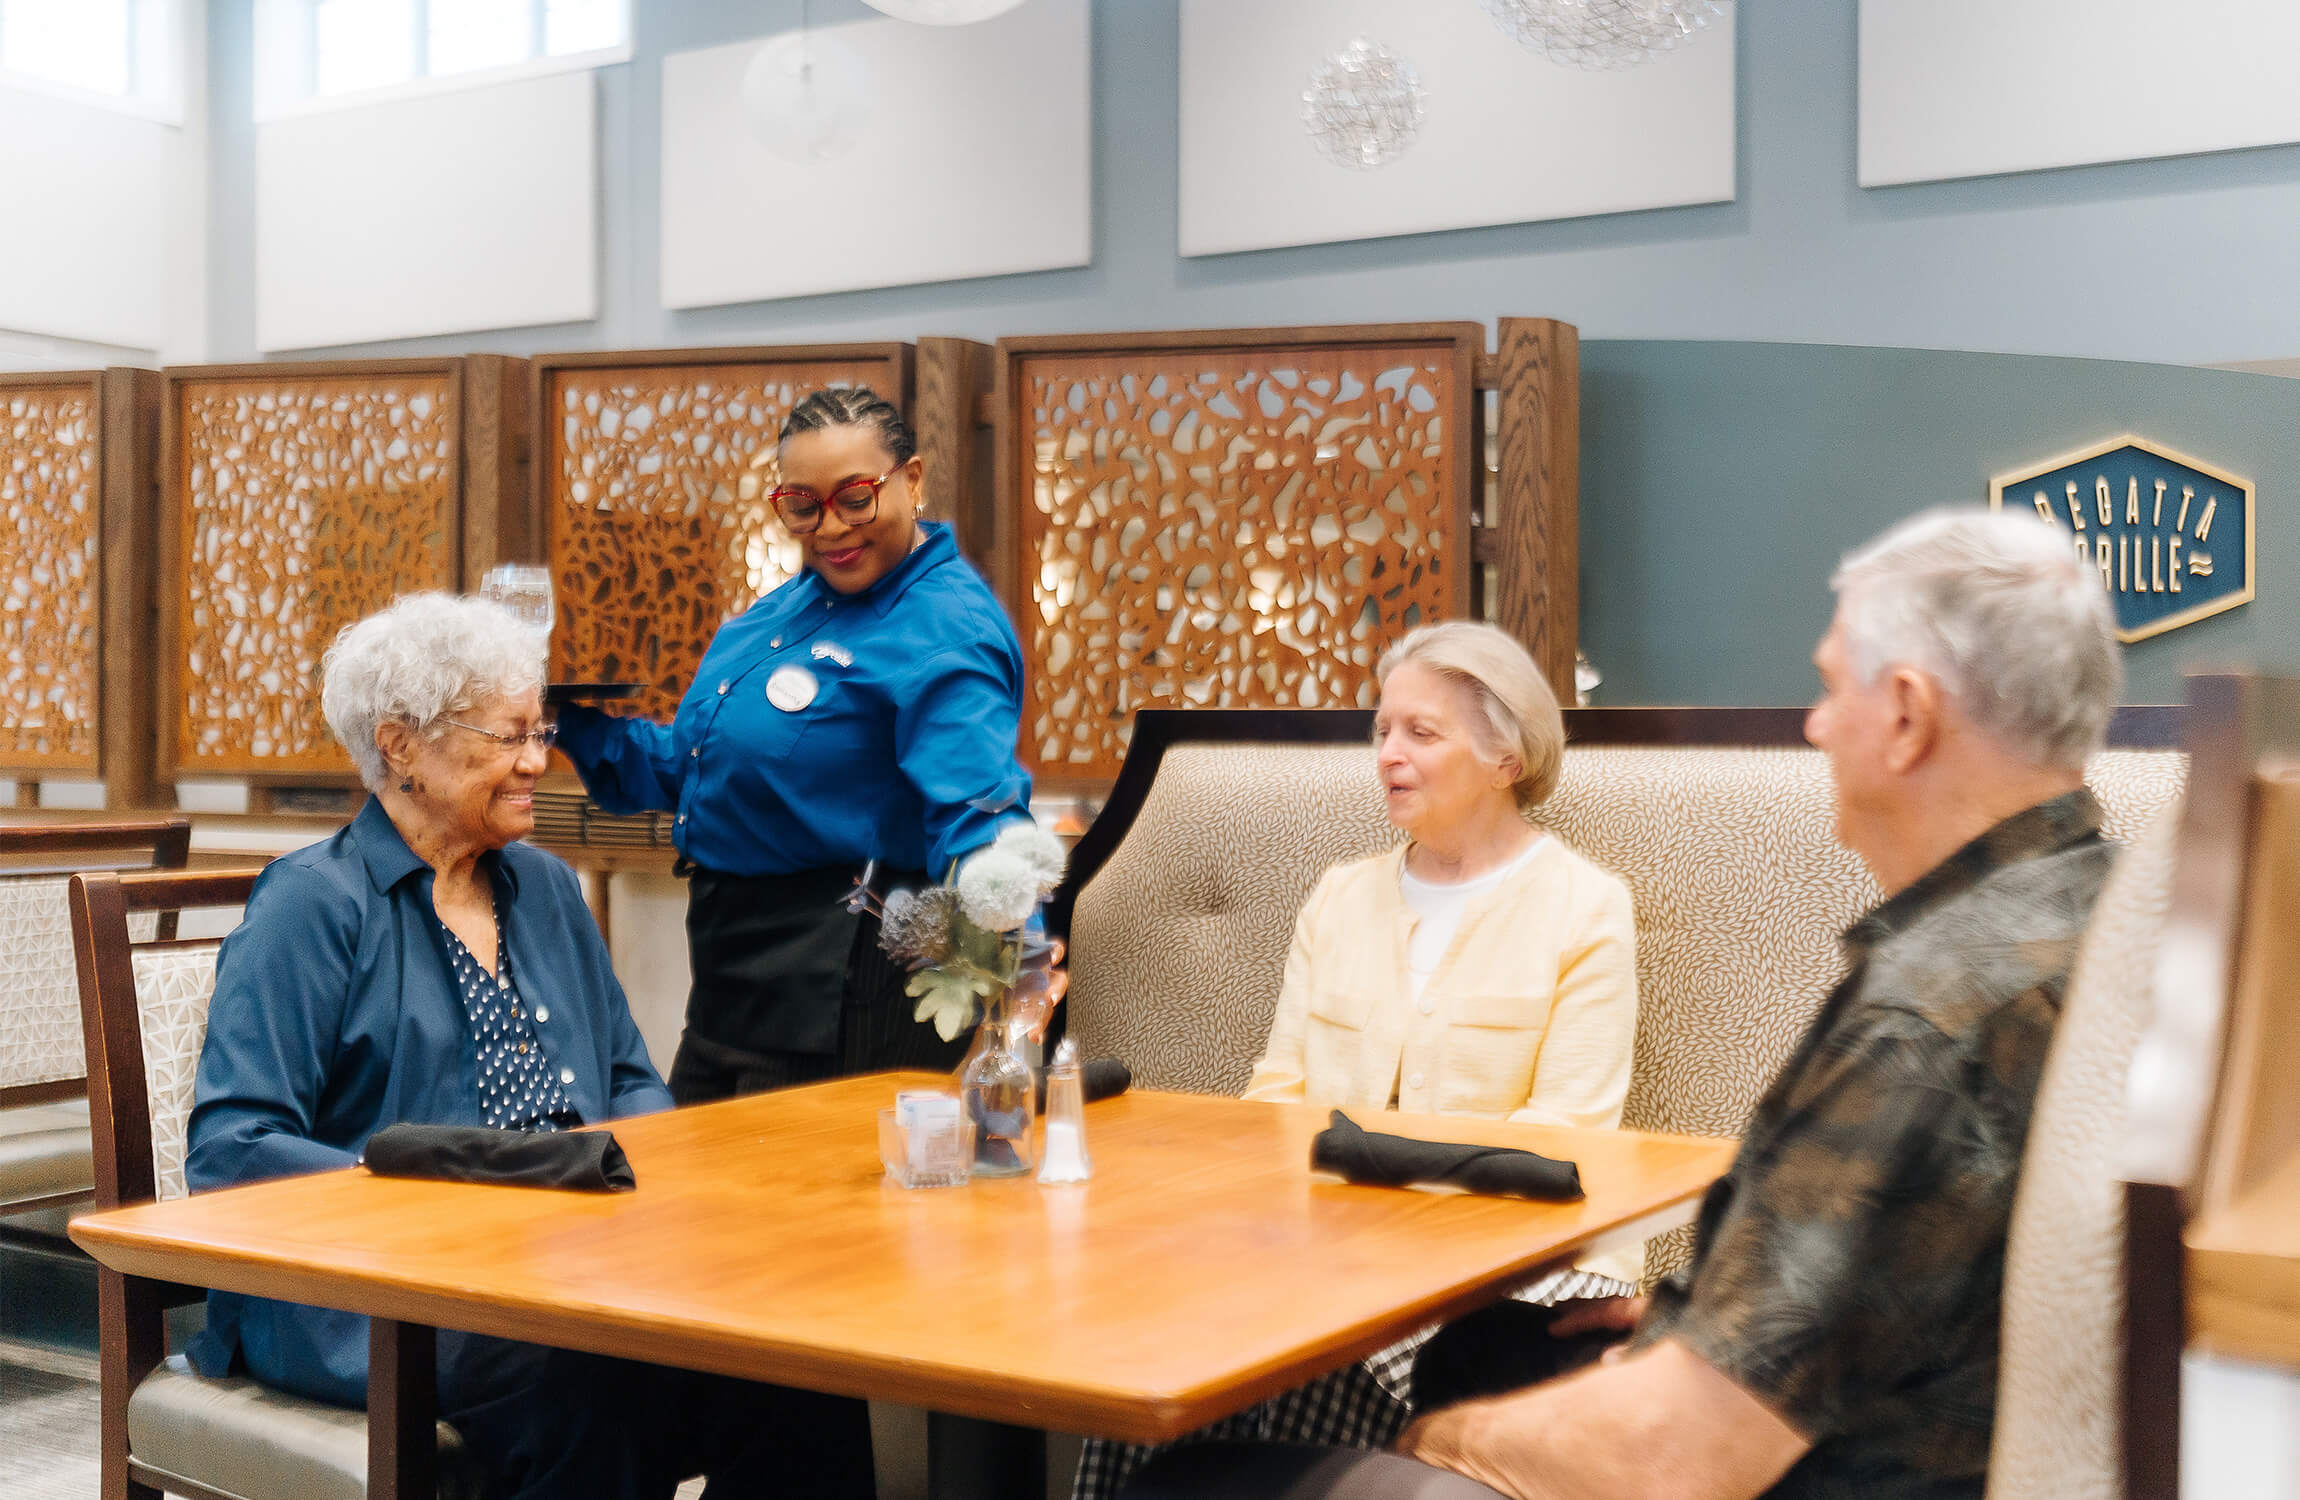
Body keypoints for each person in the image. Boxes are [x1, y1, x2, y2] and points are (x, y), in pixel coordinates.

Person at [1124, 506, 2124, 1500]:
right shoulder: (2097, 908)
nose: (1813, 725)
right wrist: (1675, 1323)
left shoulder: (1925, 1021)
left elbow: (1682, 1449)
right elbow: (1891, 1287)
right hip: (1884, 1427)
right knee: (1483, 1355)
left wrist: (1438, 1442)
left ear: (1905, 716)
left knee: (1188, 1479)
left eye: (1825, 689)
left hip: (1779, 1467)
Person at [186, 594, 875, 1500]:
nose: (538, 761)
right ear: (400, 746)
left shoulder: (546, 889)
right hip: (386, 1297)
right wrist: (436, 1197)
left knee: (802, 1362)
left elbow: (630, 1079)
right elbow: (231, 1147)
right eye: (508, 736)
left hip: (574, 1272)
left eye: (539, 731)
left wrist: (635, 1182)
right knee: (591, 1377)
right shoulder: (311, 906)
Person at [1075, 621, 1641, 1500]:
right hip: (1327, 1234)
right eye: (1381, 732)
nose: (1388, 755)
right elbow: (1276, 1098)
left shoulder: (1586, 908)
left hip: (1517, 1255)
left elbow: (1568, 1136)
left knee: (1339, 1326)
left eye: (1422, 732)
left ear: (1508, 758)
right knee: (1173, 1315)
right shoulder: (1340, 896)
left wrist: (1389, 1236)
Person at [555, 387, 1034, 1104]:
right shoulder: (790, 606)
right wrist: (560, 719)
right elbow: (692, 769)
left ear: (913, 478)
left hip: (841, 988)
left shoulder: (944, 630)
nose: (831, 527)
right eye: (803, 506)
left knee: (788, 1210)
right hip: (733, 976)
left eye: (856, 498)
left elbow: (981, 817)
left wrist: (1020, 966)